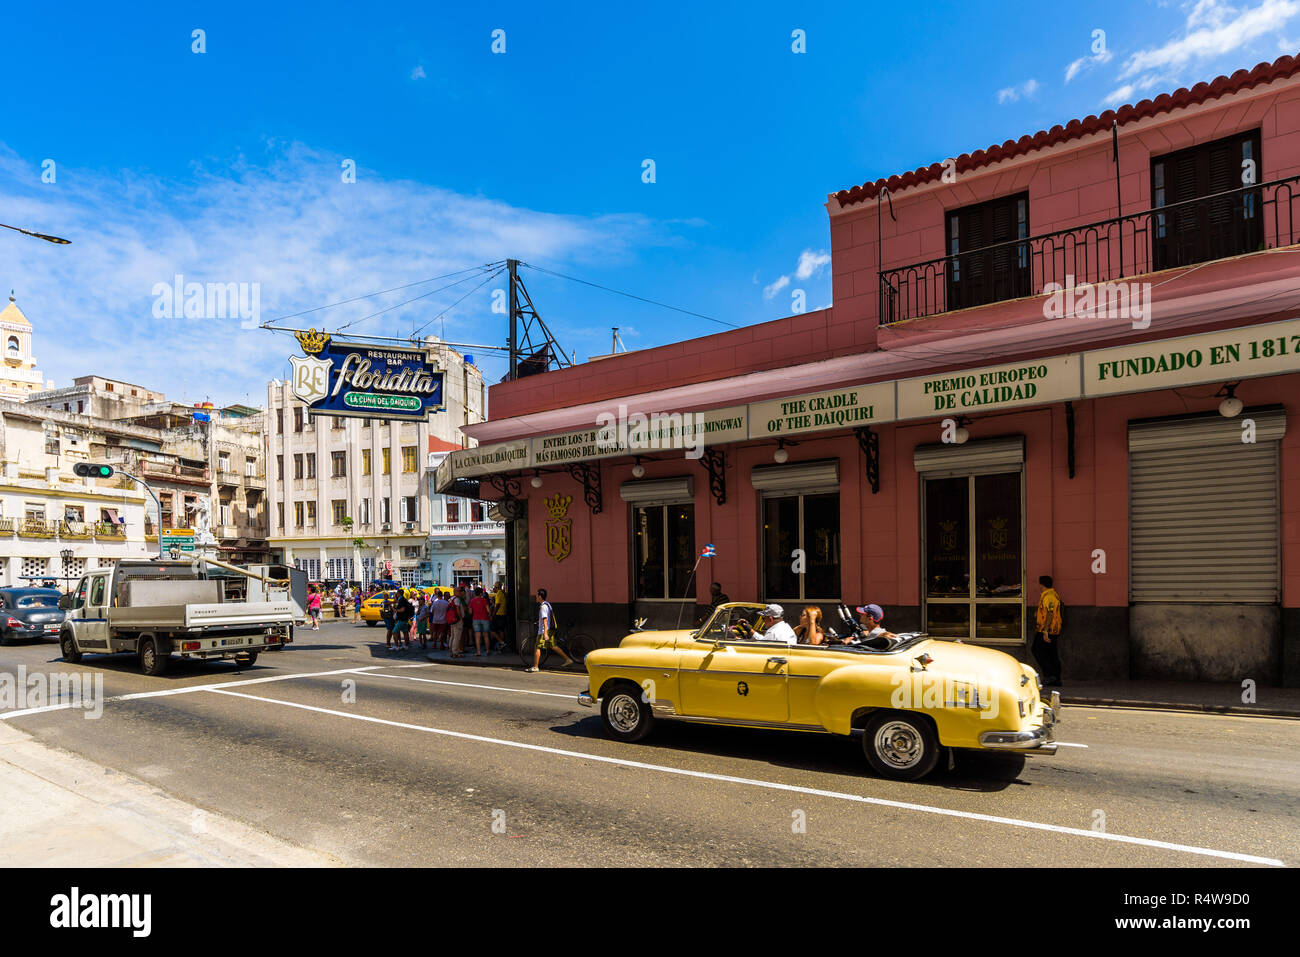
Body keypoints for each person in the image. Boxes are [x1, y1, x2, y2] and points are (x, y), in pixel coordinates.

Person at [525, 587, 577, 673]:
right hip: (549, 629)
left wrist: (545, 633)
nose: (536, 597)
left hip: (543, 631)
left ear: (540, 596)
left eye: (537, 595)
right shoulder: (547, 604)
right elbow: (546, 619)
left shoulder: (543, 607)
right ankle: (568, 660)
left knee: (537, 647)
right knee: (553, 646)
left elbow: (545, 620)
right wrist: (539, 622)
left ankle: (535, 666)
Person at [1033, 575, 1063, 687]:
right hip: (1051, 629)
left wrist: (1045, 631)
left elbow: (1050, 614)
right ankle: (1055, 678)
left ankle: (1050, 676)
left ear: (1041, 584)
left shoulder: (1048, 596)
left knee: (1037, 650)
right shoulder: (1051, 595)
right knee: (1051, 654)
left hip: (1046, 630)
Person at [469, 586, 493, 657]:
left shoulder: (472, 601)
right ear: (480, 593)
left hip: (475, 619)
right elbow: (488, 610)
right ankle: (488, 650)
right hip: (485, 619)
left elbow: (470, 612)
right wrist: (489, 615)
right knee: (486, 635)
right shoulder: (484, 600)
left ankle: (478, 652)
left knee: (477, 636)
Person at [490, 580, 508, 654]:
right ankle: (501, 645)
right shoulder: (502, 593)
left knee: (491, 630)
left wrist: (492, 615)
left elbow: (497, 605)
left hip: (499, 614)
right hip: (503, 614)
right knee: (501, 630)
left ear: (497, 587)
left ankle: (501, 642)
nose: (493, 588)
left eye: (494, 587)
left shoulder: (499, 593)